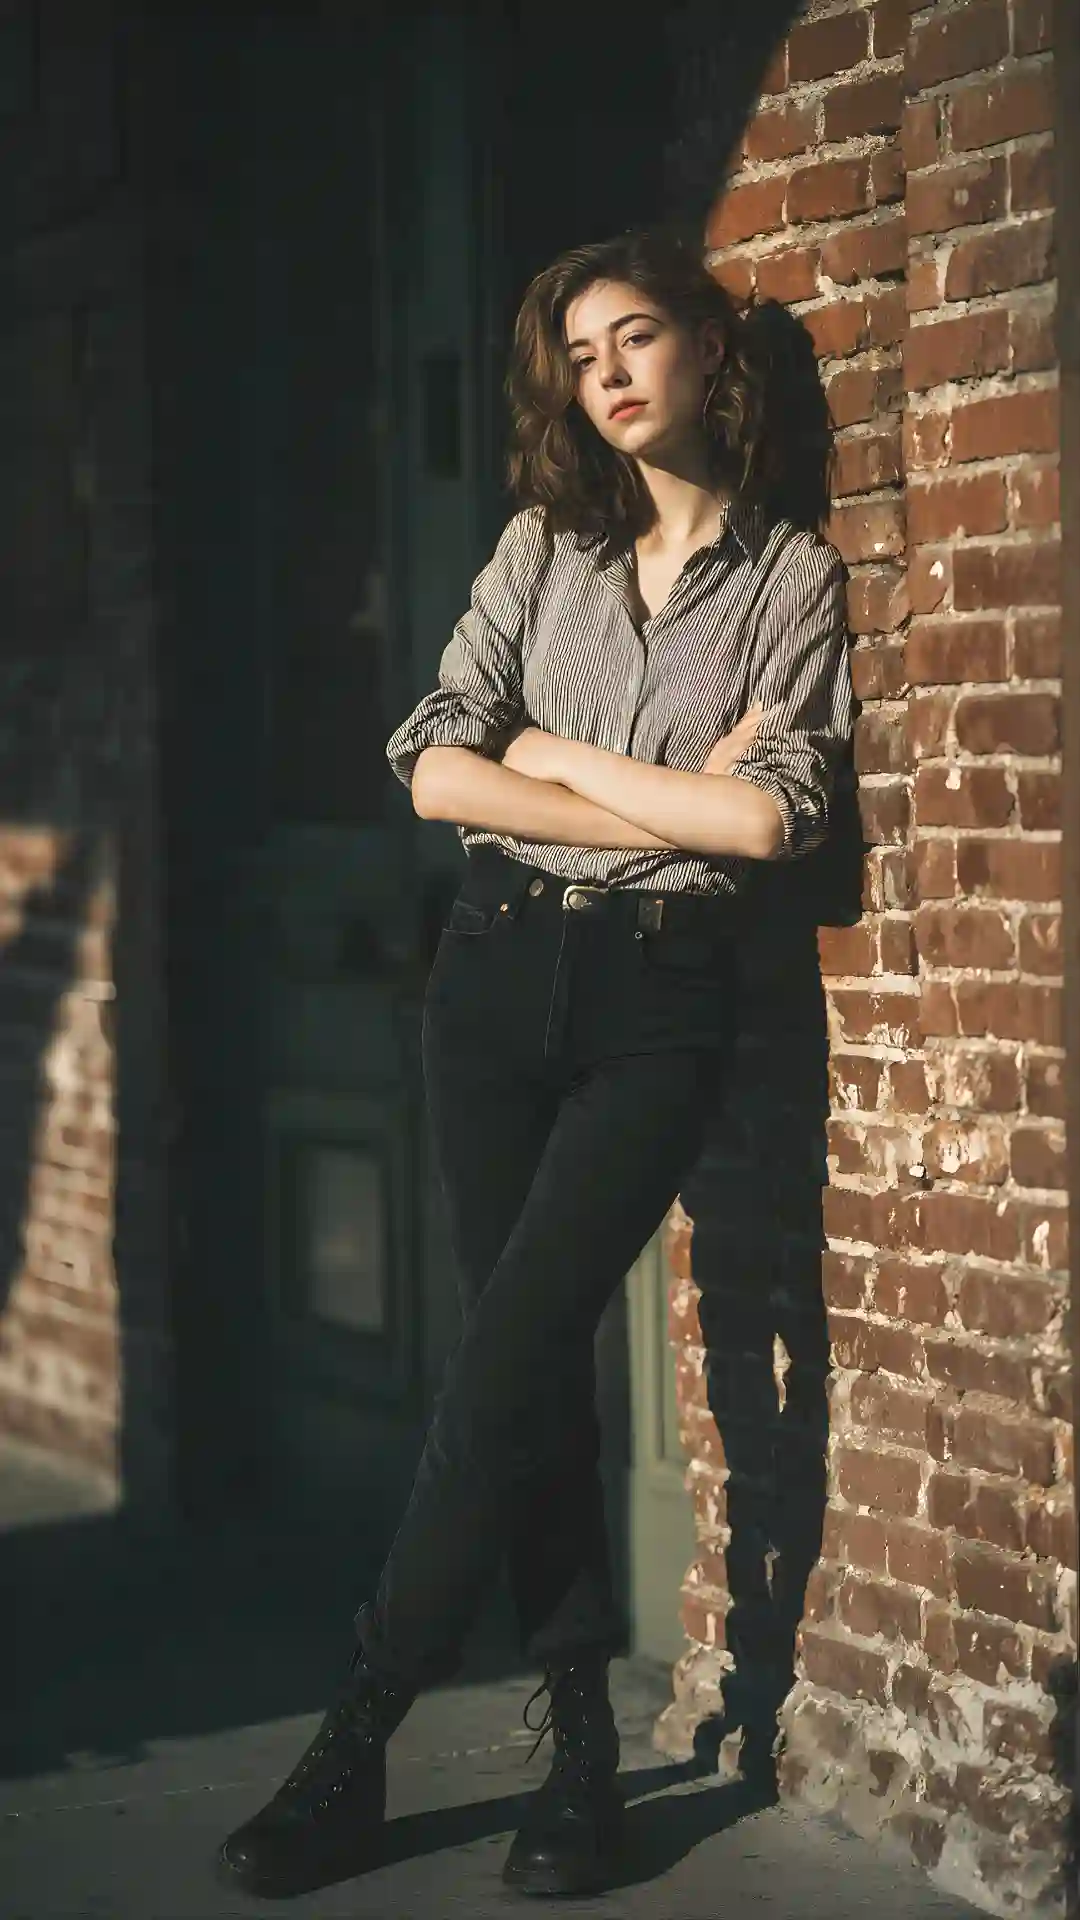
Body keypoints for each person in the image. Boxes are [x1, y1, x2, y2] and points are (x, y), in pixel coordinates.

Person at [217, 224, 854, 1901]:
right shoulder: (539, 551)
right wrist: (638, 797)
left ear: (711, 352)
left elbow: (773, 819)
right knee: (535, 1363)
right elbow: (431, 765)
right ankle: (579, 1741)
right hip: (492, 982)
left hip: (658, 1004)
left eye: (638, 337)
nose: (612, 374)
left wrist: (551, 751)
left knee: (505, 1355)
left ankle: (357, 1728)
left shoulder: (791, 578)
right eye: (583, 356)